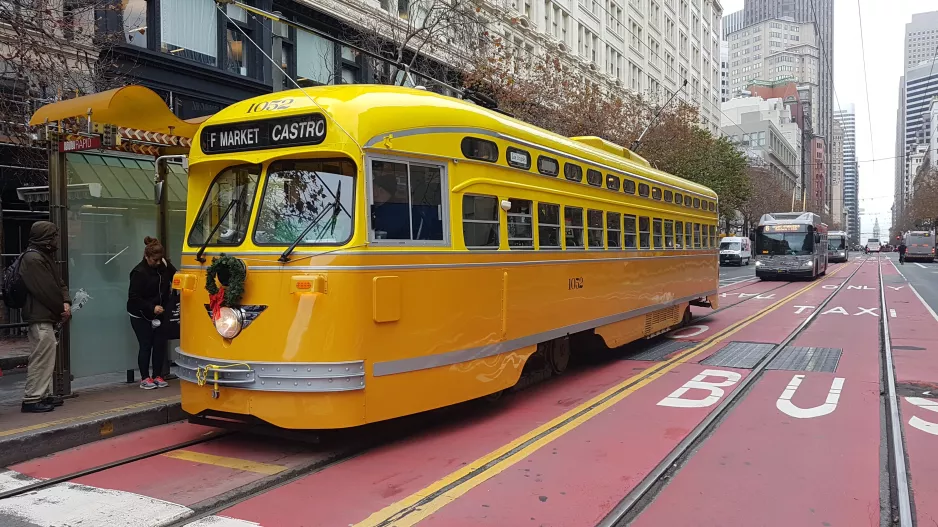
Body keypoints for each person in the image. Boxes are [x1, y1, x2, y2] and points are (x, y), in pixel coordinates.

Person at [20, 221, 71, 413]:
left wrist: (65, 301)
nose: (56, 240)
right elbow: (47, 289)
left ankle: (42, 394)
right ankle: (32, 398)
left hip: (45, 314)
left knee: (46, 356)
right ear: (45, 238)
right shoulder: (33, 259)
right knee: (42, 356)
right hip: (39, 315)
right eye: (53, 236)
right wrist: (62, 307)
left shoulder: (42, 256)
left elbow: (57, 283)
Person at [127, 237, 176, 390]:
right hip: (140, 314)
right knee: (146, 344)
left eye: (160, 259)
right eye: (154, 260)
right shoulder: (139, 272)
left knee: (159, 344)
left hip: (159, 312)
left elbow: (176, 276)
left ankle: (157, 375)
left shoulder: (164, 266)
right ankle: (144, 378)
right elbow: (134, 298)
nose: (157, 263)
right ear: (146, 257)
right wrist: (151, 307)